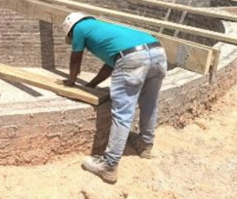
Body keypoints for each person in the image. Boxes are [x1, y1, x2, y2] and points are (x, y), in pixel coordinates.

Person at [61, 12, 167, 184]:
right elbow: (111, 65)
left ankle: (109, 165)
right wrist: (92, 84)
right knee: (150, 104)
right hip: (157, 51)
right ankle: (145, 144)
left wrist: (72, 81)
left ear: (70, 30)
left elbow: (75, 59)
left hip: (132, 57)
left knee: (122, 113)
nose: (74, 40)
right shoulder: (104, 30)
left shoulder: (78, 27)